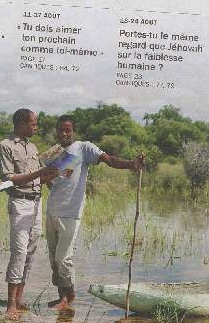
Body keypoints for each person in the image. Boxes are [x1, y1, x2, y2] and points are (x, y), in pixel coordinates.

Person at [46, 115, 144, 310]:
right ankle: (65, 295)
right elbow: (48, 181)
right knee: (54, 259)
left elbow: (109, 160)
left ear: (73, 131)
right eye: (61, 130)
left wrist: (131, 164)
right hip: (52, 211)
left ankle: (67, 299)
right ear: (56, 131)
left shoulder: (84, 148)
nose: (65, 133)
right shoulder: (53, 153)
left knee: (63, 258)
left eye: (68, 130)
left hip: (72, 212)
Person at [0, 109, 58, 318]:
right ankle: (10, 304)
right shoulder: (5, 146)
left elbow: (38, 179)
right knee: (19, 251)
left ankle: (19, 299)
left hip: (36, 202)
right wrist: (40, 173)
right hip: (19, 203)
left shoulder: (32, 147)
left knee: (30, 251)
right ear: (21, 123)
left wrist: (55, 174)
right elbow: (9, 179)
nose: (35, 127)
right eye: (32, 124)